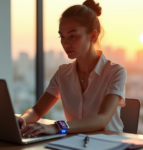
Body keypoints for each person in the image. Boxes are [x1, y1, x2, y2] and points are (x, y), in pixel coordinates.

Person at [16, 0, 127, 138]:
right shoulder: (63, 73)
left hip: (109, 144)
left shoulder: (116, 72)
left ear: (93, 35)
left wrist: (57, 127)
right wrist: (22, 119)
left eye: (73, 36)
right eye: (62, 36)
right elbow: (37, 111)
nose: (65, 43)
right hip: (74, 144)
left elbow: (102, 120)